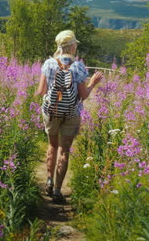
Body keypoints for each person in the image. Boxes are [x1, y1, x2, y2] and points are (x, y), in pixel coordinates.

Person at [35, 30, 103, 204]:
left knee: (52, 145)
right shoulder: (79, 66)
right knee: (64, 150)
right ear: (72, 46)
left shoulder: (48, 64)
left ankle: (49, 181)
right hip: (72, 113)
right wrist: (93, 84)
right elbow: (83, 95)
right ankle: (58, 190)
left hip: (51, 111)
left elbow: (41, 91)